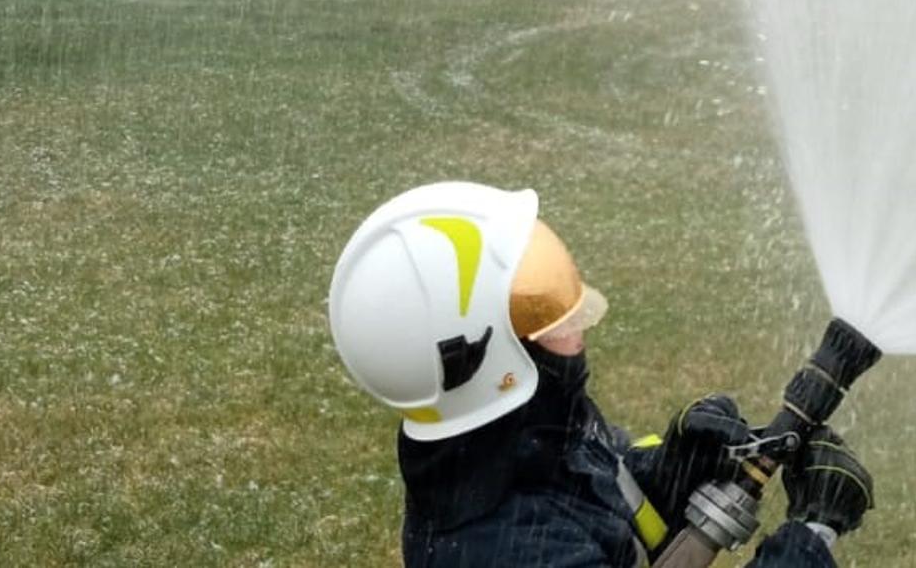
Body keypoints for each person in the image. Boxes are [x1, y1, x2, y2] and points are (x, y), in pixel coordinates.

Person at [328, 182, 874, 567]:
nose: (576, 333)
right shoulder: (501, 553)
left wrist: (671, 468)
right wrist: (811, 534)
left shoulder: (506, 441)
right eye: (546, 318)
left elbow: (595, 506)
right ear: (493, 366)